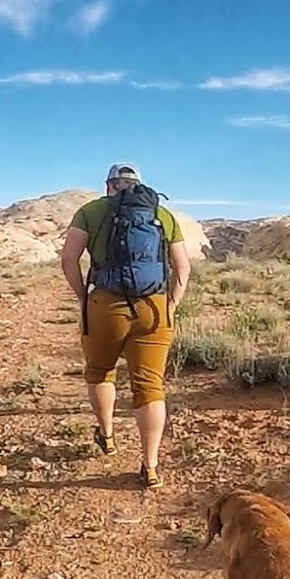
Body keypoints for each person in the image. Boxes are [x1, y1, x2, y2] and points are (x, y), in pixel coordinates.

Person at [60, 163, 191, 489]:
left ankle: (107, 435)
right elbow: (183, 267)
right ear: (139, 187)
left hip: (105, 304)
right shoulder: (162, 214)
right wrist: (171, 305)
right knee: (150, 387)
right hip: (154, 307)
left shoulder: (90, 211)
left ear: (109, 186)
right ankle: (150, 467)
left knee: (101, 371)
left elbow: (68, 259)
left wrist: (83, 298)